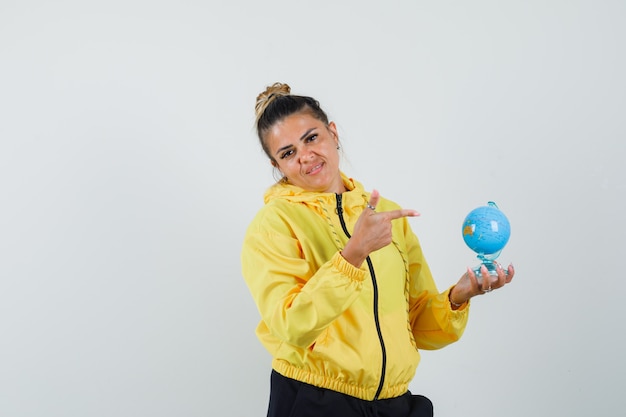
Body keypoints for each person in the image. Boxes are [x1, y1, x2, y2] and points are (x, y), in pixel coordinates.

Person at [241, 82, 514, 417]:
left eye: (311, 137)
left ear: (333, 132)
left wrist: (458, 296)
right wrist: (353, 255)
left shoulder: (387, 214)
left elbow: (417, 323)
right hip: (315, 401)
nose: (305, 156)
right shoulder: (273, 225)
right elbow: (292, 326)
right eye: (288, 153)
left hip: (395, 405)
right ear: (277, 165)